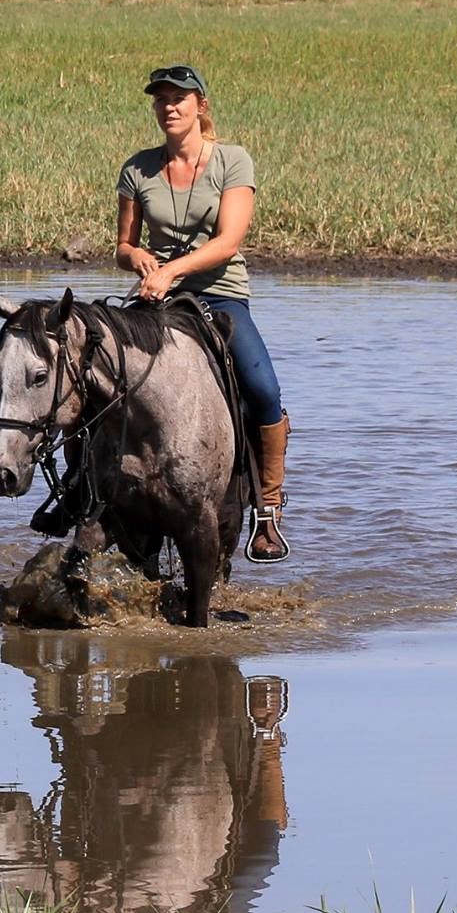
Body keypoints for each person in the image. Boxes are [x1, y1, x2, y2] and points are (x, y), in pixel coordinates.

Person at [113, 63, 290, 562]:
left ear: (200, 106)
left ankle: (267, 509)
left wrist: (173, 270)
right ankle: (85, 491)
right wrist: (139, 258)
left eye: (179, 99)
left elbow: (228, 241)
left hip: (219, 295)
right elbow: (122, 247)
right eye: (161, 100)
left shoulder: (233, 161)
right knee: (100, 371)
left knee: (263, 389)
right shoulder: (137, 169)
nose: (168, 107)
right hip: (157, 298)